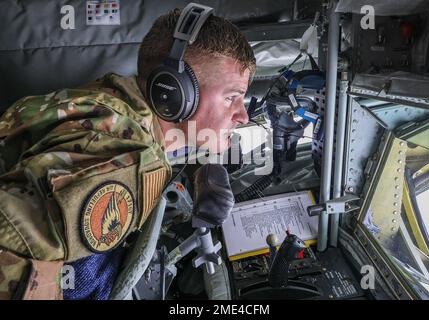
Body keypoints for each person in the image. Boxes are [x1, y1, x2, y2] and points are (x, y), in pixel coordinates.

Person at [0, 6, 255, 300]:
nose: (243, 116)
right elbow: (12, 245)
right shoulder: (127, 156)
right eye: (232, 97)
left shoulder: (112, 100)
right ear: (174, 91)